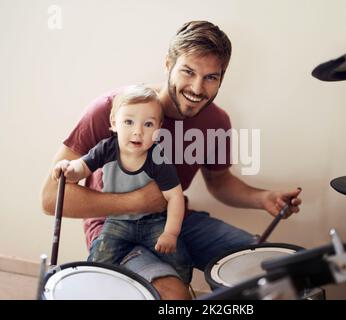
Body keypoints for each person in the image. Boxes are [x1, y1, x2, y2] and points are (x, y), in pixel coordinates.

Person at [41, 20, 302, 300]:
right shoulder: (115, 109)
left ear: (222, 78)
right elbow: (50, 198)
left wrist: (263, 198)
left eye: (211, 77)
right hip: (116, 228)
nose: (197, 88)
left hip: (177, 220)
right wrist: (138, 201)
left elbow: (219, 181)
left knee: (271, 271)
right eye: (188, 72)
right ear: (168, 64)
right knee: (172, 294)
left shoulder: (216, 120)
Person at [51, 85, 192, 283]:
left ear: (158, 129)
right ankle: (93, 288)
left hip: (154, 222)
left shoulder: (158, 157)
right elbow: (81, 168)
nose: (138, 132)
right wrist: (69, 168)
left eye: (148, 124)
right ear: (114, 123)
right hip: (118, 221)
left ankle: (184, 292)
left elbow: (174, 196)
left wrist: (170, 233)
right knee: (99, 257)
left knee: (180, 258)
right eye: (128, 122)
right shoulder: (106, 149)